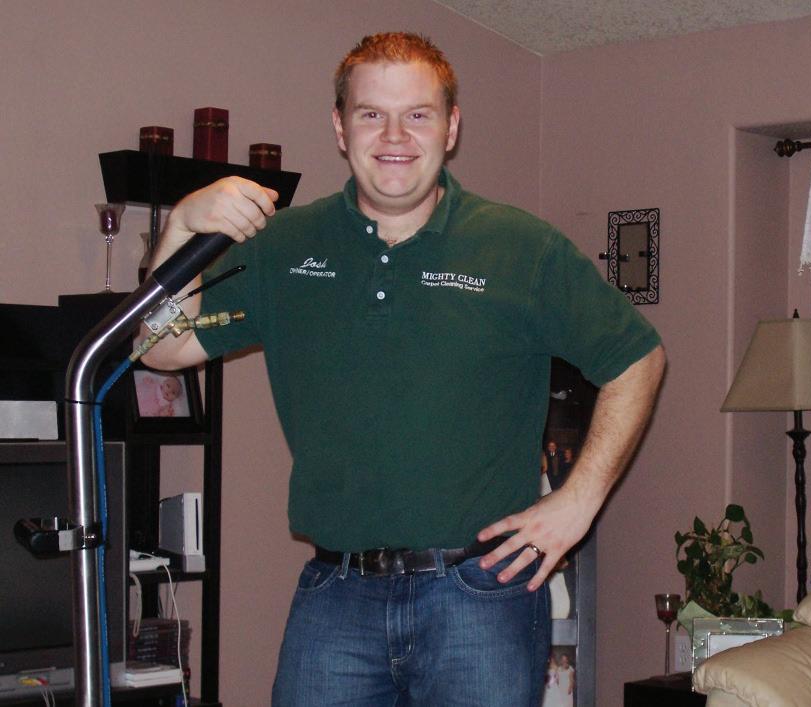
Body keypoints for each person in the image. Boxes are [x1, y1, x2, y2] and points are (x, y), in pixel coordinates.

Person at [142, 31, 665, 707]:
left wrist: (579, 502)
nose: (395, 136)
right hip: (336, 596)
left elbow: (637, 358)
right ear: (340, 127)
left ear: (451, 127)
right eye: (371, 114)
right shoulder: (283, 247)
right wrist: (182, 227)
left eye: (417, 114)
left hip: (481, 595)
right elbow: (160, 348)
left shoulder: (521, 248)